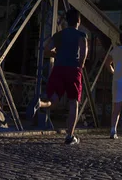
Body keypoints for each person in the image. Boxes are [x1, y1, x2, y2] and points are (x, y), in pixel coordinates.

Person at [34, 8, 88, 145]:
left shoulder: (58, 35)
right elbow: (83, 52)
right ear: (79, 21)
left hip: (58, 69)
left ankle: (40, 103)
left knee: (54, 99)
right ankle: (69, 136)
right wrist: (80, 64)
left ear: (66, 21)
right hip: (73, 70)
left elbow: (46, 50)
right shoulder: (81, 35)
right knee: (74, 103)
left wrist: (58, 55)